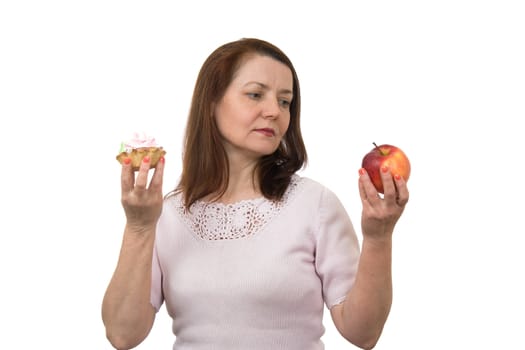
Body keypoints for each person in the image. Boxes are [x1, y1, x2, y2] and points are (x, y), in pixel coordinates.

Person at [101, 38, 409, 350]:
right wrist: (139, 227)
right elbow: (123, 334)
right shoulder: (167, 214)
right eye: (255, 94)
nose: (274, 111)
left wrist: (379, 237)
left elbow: (363, 333)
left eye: (285, 101)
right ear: (211, 102)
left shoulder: (314, 204)